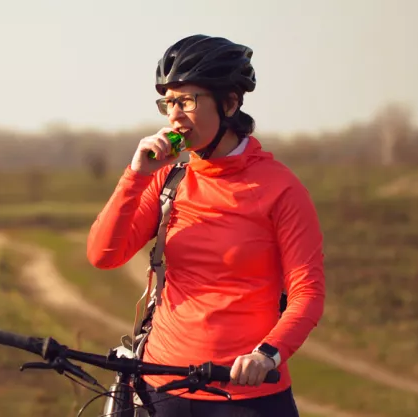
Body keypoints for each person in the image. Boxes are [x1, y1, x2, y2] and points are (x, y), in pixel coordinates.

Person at [86, 34, 326, 417]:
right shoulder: (168, 179)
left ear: (229, 103)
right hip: (162, 387)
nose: (174, 115)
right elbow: (103, 255)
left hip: (248, 394)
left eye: (187, 101)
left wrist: (267, 356)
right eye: (168, 102)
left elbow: (307, 293)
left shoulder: (281, 188)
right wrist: (135, 176)